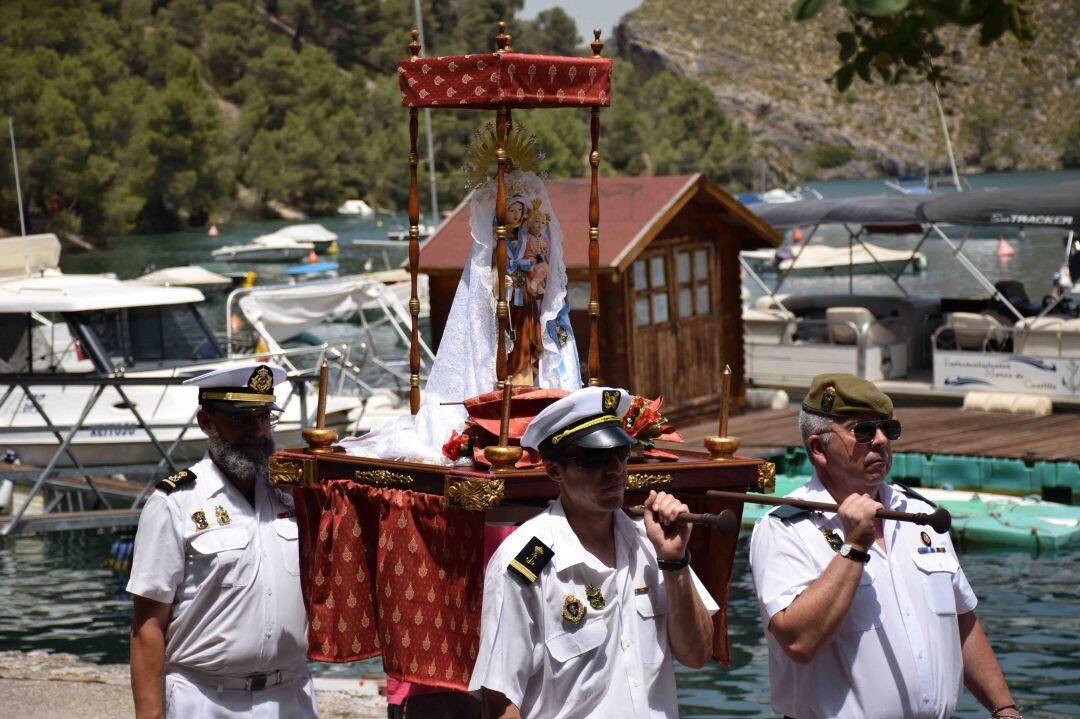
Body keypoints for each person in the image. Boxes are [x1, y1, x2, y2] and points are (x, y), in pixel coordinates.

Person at [749, 373, 1021, 719]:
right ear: (819, 448)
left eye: (886, 429)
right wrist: (853, 547)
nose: (879, 440)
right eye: (862, 430)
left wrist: (1005, 709)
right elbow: (799, 642)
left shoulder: (920, 514)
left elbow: (961, 620)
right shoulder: (786, 528)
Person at [469, 386, 717, 718]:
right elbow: (500, 701)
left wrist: (675, 562)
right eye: (594, 458)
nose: (614, 469)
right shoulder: (524, 563)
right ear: (555, 470)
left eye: (621, 453)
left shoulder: (649, 543)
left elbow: (697, 654)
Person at [127, 364, 318, 719]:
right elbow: (147, 627)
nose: (257, 432)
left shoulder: (292, 496)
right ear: (206, 423)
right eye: (240, 420)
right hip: (204, 699)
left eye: (263, 418)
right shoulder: (176, 502)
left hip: (290, 696)